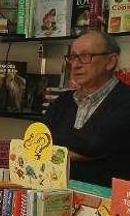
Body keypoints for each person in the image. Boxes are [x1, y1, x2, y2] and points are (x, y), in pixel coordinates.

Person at [45, 29, 130, 187]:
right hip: (57, 199)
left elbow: (94, 146)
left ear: (111, 61)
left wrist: (57, 149)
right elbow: (39, 144)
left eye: (85, 56)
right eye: (72, 57)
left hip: (107, 205)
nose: (75, 65)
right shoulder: (62, 102)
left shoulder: (125, 102)